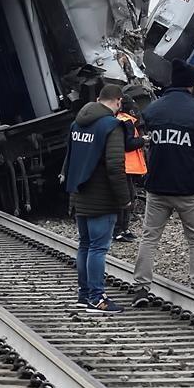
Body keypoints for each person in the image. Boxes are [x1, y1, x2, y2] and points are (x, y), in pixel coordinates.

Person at [133, 59, 194, 305]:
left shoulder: (153, 110)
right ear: (192, 85)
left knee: (150, 237)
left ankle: (142, 286)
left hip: (158, 186)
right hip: (191, 188)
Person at [64, 85, 129, 314]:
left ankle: (84, 295)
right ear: (118, 102)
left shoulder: (77, 123)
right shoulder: (111, 126)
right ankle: (96, 298)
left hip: (80, 194)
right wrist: (125, 198)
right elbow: (114, 167)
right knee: (98, 248)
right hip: (102, 197)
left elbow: (70, 159)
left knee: (85, 245)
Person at [112, 96, 148, 243]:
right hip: (126, 165)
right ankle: (119, 230)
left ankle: (123, 228)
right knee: (126, 199)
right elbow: (128, 144)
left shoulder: (121, 119)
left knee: (128, 198)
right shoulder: (125, 122)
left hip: (127, 165)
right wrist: (143, 140)